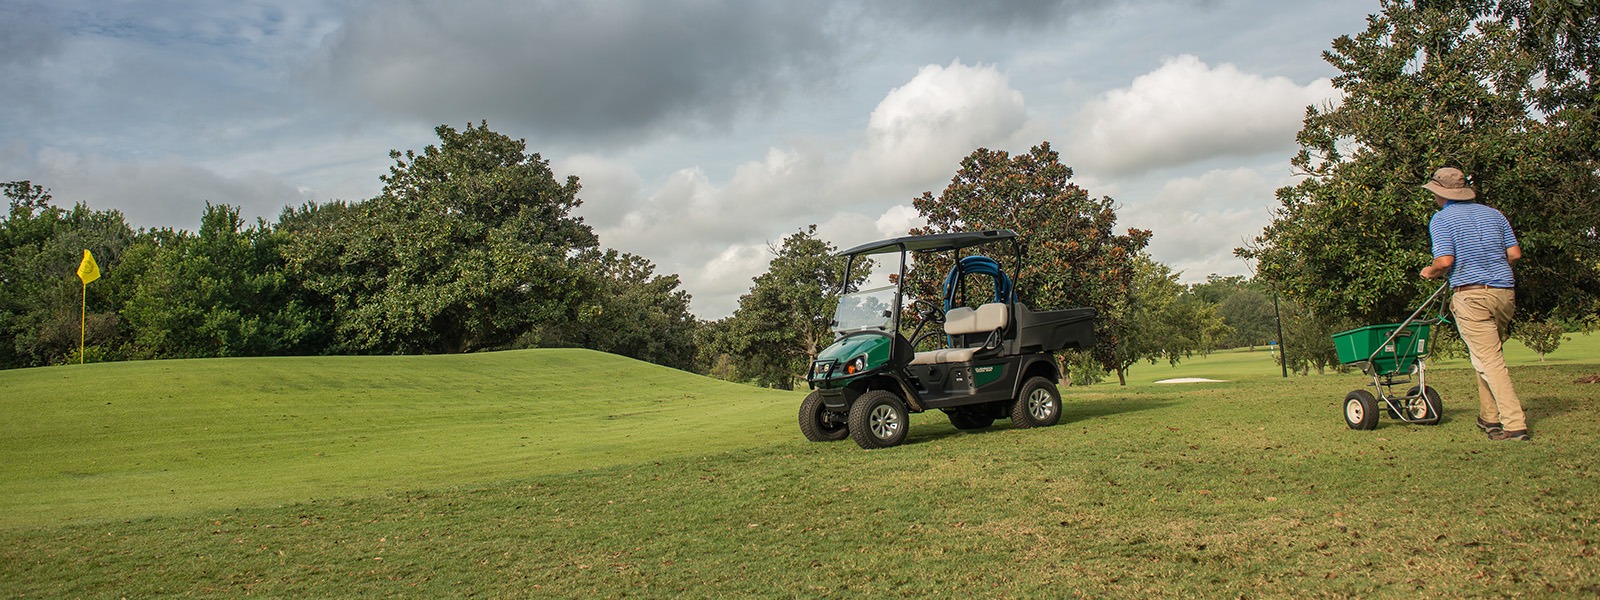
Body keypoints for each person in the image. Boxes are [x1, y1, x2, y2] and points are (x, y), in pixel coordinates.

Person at [1418, 167, 1528, 441]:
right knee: (1486, 355)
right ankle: (1489, 416)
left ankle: (1514, 424)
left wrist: (1429, 272)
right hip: (1504, 293)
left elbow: (1445, 261)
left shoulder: (1441, 219)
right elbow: (1514, 254)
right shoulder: (1494, 214)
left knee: (1489, 360)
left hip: (1471, 295)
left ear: (1440, 194)